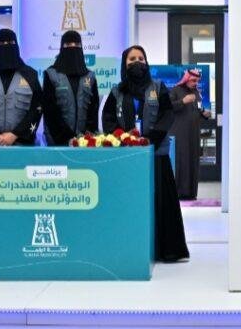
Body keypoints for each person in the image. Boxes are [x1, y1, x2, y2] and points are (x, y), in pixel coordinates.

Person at [102, 46, 189, 263]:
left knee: (162, 203)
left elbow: (167, 115)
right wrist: (124, 137)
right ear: (124, 63)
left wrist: (149, 139)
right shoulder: (116, 92)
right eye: (132, 59)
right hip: (127, 158)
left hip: (156, 155)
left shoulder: (158, 87)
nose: (137, 62)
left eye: (141, 58)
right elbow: (108, 119)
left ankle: (166, 250)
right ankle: (129, 250)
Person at [42, 30, 100, 145]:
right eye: (68, 44)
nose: (73, 47)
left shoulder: (90, 76)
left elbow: (93, 111)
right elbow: (50, 111)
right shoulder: (51, 75)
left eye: (77, 44)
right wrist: (67, 138)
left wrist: (86, 137)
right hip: (57, 142)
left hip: (84, 142)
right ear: (61, 47)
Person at [168, 68, 211, 200]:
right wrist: (183, 101)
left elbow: (198, 109)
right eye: (193, 80)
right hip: (180, 133)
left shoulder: (196, 92)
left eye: (197, 81)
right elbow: (168, 107)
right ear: (186, 79)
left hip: (193, 133)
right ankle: (179, 193)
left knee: (193, 160)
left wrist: (205, 114)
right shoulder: (175, 90)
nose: (195, 83)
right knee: (182, 160)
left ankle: (191, 193)